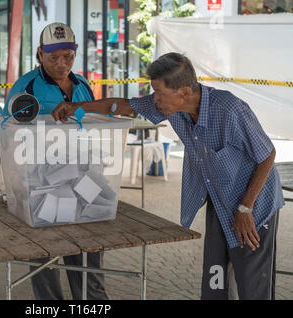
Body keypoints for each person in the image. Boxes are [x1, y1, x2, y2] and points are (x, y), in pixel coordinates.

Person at [51, 52, 285, 300]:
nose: (155, 100)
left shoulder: (230, 109)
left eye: (160, 93)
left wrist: (246, 208)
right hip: (220, 199)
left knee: (250, 284)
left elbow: (267, 155)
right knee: (216, 278)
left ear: (184, 92)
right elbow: (125, 105)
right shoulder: (174, 106)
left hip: (254, 204)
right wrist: (75, 107)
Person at [5, 22, 108, 300]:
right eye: (54, 58)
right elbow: (11, 139)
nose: (62, 64)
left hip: (85, 182)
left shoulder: (83, 84)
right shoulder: (25, 87)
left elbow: (95, 126)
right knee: (46, 260)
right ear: (40, 54)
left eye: (69, 57)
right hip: (41, 185)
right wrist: (18, 189)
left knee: (87, 256)